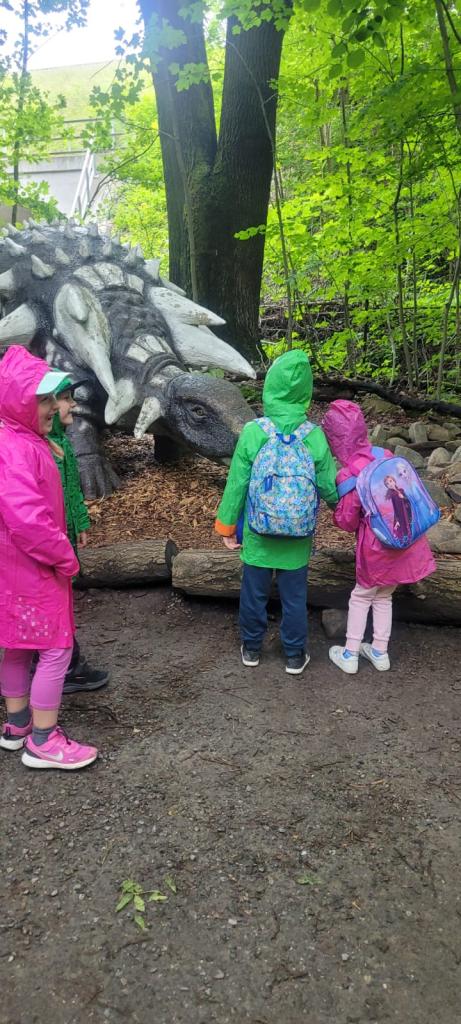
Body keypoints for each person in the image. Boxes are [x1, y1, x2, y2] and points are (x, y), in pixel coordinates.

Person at [0, 345, 98, 769]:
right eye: (43, 400)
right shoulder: (16, 448)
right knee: (56, 648)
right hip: (34, 569)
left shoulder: (20, 440)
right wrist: (65, 557)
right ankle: (44, 740)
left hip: (15, 569)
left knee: (18, 646)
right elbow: (28, 520)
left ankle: (17, 725)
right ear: (19, 401)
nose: (54, 407)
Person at [215, 350, 338, 674]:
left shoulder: (254, 432)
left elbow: (237, 483)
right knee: (294, 598)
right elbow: (328, 484)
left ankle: (252, 648)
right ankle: (294, 655)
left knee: (253, 595)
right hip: (297, 538)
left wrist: (226, 526)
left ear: (270, 387)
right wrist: (343, 510)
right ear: (306, 392)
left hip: (258, 535)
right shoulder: (314, 435)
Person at [322, 400, 436, 674]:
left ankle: (350, 654)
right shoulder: (383, 454)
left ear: (335, 441)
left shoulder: (349, 474)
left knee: (361, 597)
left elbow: (347, 521)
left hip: (377, 548)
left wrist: (335, 509)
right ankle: (379, 651)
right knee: (384, 596)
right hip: (406, 539)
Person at [48, 378, 109, 694]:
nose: (73, 404)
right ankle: (67, 667)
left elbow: (71, 490)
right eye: (65, 398)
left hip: (66, 537)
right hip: (49, 546)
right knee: (54, 603)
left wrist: (81, 523)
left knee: (64, 598)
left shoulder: (63, 443)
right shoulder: (41, 448)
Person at [384, 474, 412, 544]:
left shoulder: (401, 490)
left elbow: (408, 501)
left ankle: (410, 539)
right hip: (400, 515)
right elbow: (394, 508)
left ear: (394, 481)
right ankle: (405, 541)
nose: (390, 484)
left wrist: (403, 497)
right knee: (402, 530)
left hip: (406, 512)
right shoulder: (392, 495)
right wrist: (397, 520)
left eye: (391, 481)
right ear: (387, 486)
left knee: (409, 526)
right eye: (387, 484)